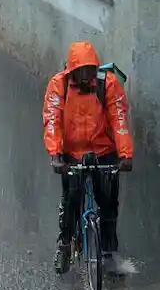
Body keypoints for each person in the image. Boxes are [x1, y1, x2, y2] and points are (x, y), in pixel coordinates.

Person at [42, 41, 134, 275]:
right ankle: (64, 243)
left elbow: (118, 119)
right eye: (81, 71)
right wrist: (56, 155)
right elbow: (52, 120)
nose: (86, 76)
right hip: (72, 153)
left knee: (109, 202)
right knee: (72, 198)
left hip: (103, 151)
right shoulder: (58, 85)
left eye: (90, 70)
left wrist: (125, 155)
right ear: (72, 70)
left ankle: (109, 252)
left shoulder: (108, 84)